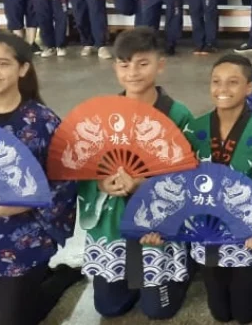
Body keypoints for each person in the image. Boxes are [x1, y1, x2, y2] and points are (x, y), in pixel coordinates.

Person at [0, 33, 82, 325]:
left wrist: (21, 205)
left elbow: (66, 183)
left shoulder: (43, 122)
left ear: (23, 69)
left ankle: (59, 279)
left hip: (23, 238)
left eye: (3, 64)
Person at [78, 27, 194, 319]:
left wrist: (146, 184)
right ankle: (125, 273)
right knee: (109, 307)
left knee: (158, 310)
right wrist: (102, 184)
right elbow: (84, 168)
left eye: (143, 63)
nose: (133, 72)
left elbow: (191, 176)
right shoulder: (103, 114)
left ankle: (186, 265)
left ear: (160, 65)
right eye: (124, 63)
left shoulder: (178, 115)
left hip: (158, 225)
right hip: (113, 220)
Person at [174, 54, 252, 323]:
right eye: (216, 82)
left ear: (249, 88)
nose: (222, 89)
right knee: (221, 313)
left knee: (244, 313)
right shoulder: (194, 129)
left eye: (233, 82)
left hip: (250, 231)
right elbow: (179, 183)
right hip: (208, 230)